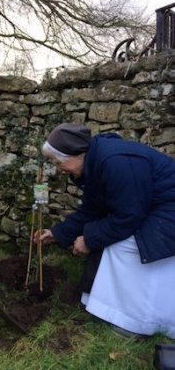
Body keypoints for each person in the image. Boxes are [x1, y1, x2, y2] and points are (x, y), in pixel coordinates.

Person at [34, 123, 175, 339]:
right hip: (150, 208)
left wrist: (89, 240)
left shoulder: (116, 162)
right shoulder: (94, 164)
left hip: (168, 211)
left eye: (59, 162)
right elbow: (92, 210)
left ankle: (139, 322)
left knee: (128, 247)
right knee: (112, 242)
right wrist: (58, 233)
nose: (59, 168)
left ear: (78, 154)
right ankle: (112, 309)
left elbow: (129, 216)